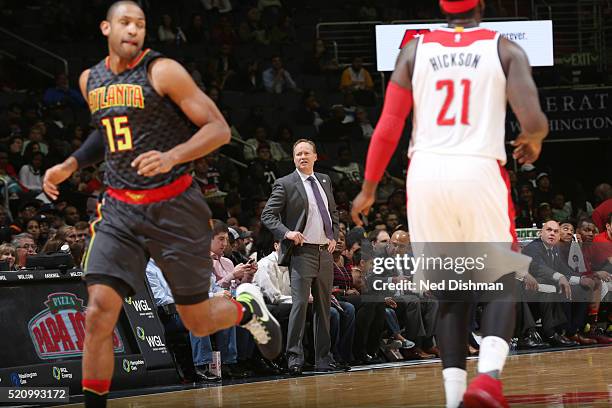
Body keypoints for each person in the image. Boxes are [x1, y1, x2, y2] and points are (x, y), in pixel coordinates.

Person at [41, 3, 280, 407]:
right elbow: (108, 132)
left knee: (196, 319)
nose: (133, 30)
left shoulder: (163, 71)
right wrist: (72, 162)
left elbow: (219, 129)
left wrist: (172, 156)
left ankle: (245, 307)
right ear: (105, 27)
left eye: (141, 24)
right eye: (125, 22)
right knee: (98, 312)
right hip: (119, 207)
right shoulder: (89, 80)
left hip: (174, 206)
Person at [351, 1, 548, 407]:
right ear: (480, 7)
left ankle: (455, 399)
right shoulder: (504, 48)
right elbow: (532, 120)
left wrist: (369, 188)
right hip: (477, 168)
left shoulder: (414, 50)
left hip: (424, 173)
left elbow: (389, 126)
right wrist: (535, 139)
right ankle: (489, 379)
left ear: (443, 8)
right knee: (503, 279)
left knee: (449, 292)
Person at [261, 139, 340, 375]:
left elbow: (333, 211)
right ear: (294, 158)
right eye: (298, 154)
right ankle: (294, 359)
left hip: (324, 252)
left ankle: (323, 359)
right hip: (302, 252)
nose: (302, 157)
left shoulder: (324, 180)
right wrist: (286, 232)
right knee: (300, 306)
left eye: (306, 153)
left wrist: (333, 234)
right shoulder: (285, 183)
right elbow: (268, 214)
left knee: (324, 308)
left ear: (316, 156)